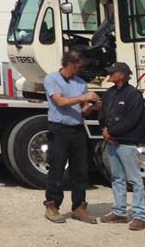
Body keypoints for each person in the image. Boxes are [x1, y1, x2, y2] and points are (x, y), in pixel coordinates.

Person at [43, 50, 100, 224]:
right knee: (57, 168)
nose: (81, 69)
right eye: (79, 66)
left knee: (80, 170)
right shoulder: (52, 79)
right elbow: (60, 102)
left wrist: (92, 107)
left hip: (77, 129)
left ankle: (79, 208)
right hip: (59, 129)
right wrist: (84, 97)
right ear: (70, 63)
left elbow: (82, 109)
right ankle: (52, 206)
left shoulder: (81, 83)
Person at [99, 62, 145, 231]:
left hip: (127, 143)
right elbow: (102, 115)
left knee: (134, 180)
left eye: (113, 72)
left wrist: (111, 133)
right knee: (117, 178)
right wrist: (105, 131)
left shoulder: (134, 95)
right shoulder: (109, 93)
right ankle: (119, 212)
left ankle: (140, 216)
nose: (110, 75)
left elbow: (132, 120)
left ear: (122, 75)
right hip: (112, 143)